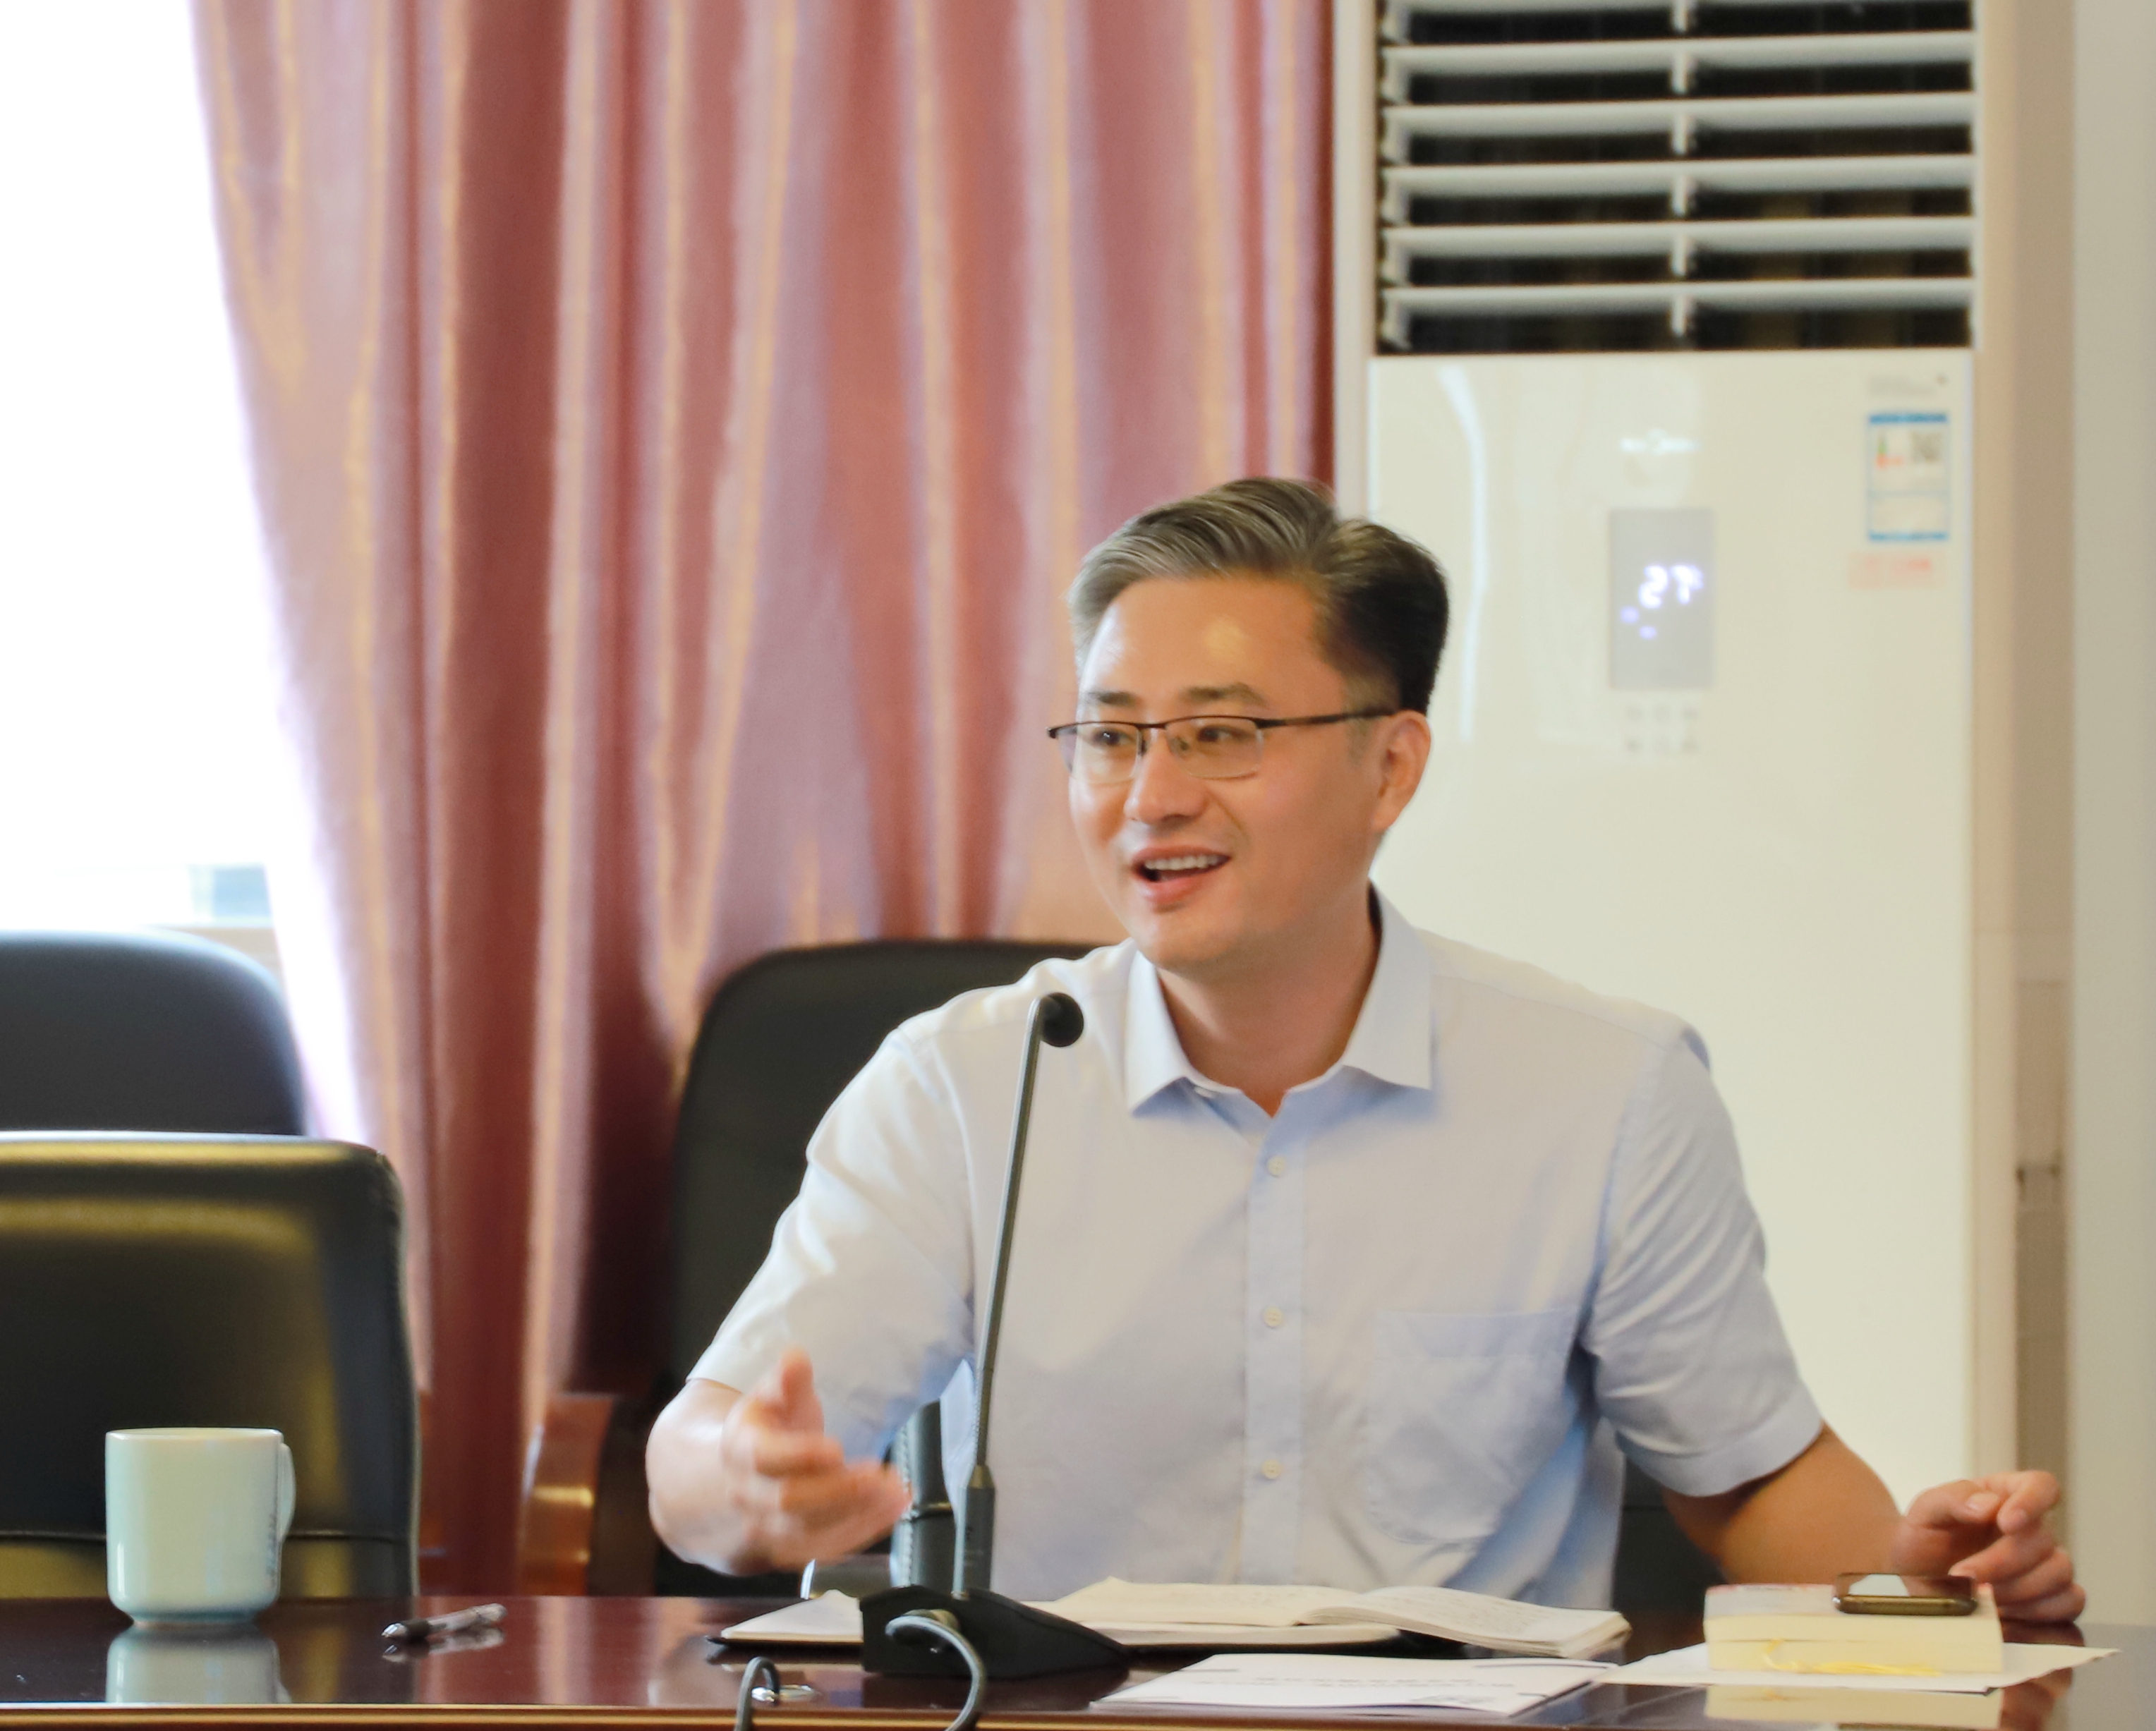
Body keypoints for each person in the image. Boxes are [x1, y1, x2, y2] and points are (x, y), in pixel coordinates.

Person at [647, 478, 2082, 1620]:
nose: (1150, 795)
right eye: (1110, 736)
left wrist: (1914, 1580)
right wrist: (745, 1484)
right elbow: (696, 1462)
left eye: (1219, 734)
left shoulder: (1605, 1093)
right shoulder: (964, 1088)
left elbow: (1746, 1479)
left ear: (1389, 766)